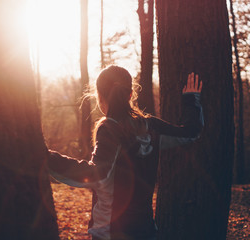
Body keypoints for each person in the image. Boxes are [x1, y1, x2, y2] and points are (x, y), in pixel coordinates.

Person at [47, 65, 203, 240]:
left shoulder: (109, 128)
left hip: (111, 233)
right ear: (130, 94)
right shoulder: (151, 126)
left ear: (99, 96)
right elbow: (190, 133)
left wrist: (46, 157)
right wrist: (191, 99)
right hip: (146, 231)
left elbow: (96, 174)